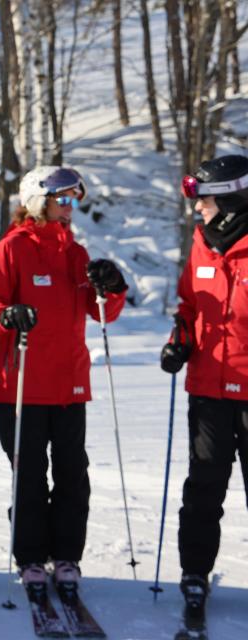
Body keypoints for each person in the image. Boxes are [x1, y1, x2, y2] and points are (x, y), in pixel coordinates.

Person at [0, 166, 127, 591]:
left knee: (73, 473)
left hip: (69, 385)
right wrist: (7, 314)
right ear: (39, 201)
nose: (70, 208)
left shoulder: (76, 254)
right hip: (19, 385)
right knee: (29, 476)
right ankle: (31, 559)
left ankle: (66, 558)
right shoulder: (12, 248)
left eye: (74, 200)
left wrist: (113, 286)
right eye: (63, 199)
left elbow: (103, 312)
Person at [160, 154, 248, 626]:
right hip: (209, 389)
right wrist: (181, 339)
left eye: (205, 199)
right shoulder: (202, 243)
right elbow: (190, 302)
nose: (198, 209)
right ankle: (195, 573)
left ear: (232, 197)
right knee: (203, 488)